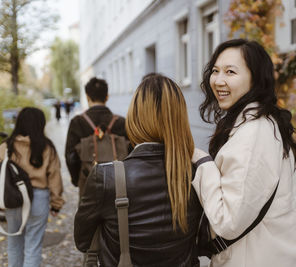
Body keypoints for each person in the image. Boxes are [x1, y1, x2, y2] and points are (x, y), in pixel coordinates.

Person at [191, 39, 296, 267]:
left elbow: (228, 221)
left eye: (230, 72)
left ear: (255, 79)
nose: (218, 80)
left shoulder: (254, 134)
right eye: (215, 71)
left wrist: (202, 162)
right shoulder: (261, 123)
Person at [74, 74, 202, 266]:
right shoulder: (196, 173)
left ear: (135, 116)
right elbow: (205, 241)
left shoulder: (106, 177)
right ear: (180, 118)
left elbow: (83, 241)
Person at [0, 107, 64, 267]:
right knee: (33, 246)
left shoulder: (6, 146)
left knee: (14, 244)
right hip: (39, 199)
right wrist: (56, 204)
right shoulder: (47, 147)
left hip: (13, 198)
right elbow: (55, 177)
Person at [65, 77, 128, 196]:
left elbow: (70, 156)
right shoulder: (121, 122)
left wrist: (76, 179)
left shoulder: (77, 122)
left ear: (87, 97)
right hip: (118, 185)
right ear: (107, 97)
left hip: (88, 182)